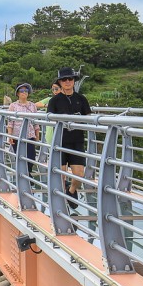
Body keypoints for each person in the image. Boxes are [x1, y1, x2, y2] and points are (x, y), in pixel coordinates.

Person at [47, 67, 91, 206]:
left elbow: (88, 117)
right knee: (61, 174)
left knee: (79, 174)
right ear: (59, 82)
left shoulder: (81, 99)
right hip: (60, 141)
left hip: (77, 141)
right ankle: (61, 199)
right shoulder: (55, 100)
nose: (67, 81)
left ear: (74, 81)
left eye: (70, 79)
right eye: (64, 79)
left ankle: (71, 191)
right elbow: (50, 117)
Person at [7, 83, 40, 168]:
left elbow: (36, 122)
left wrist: (37, 135)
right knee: (20, 159)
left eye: (26, 90)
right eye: (21, 91)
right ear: (18, 93)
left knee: (31, 158)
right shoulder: (13, 106)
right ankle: (27, 180)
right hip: (17, 136)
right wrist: (9, 135)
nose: (24, 92)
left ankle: (27, 177)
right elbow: (10, 122)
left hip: (30, 136)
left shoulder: (32, 106)